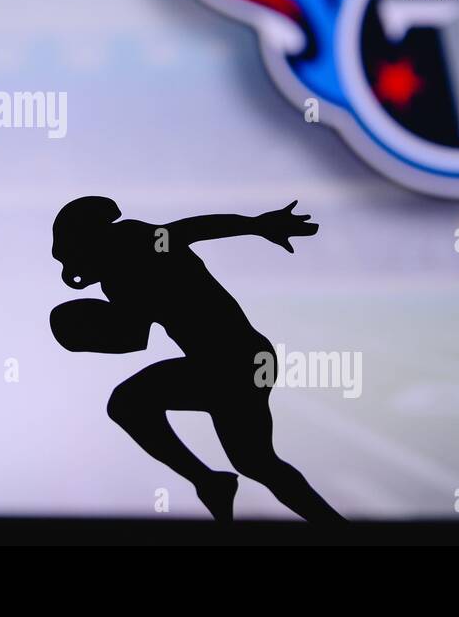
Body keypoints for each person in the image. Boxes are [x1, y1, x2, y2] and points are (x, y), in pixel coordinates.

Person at [50, 196, 343, 522]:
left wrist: (256, 224)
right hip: (239, 360)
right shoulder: (118, 276)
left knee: (127, 404)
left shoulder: (132, 243)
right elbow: (133, 336)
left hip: (230, 361)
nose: (69, 271)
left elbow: (190, 230)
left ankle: (209, 482)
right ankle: (325, 522)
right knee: (256, 462)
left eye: (68, 255)